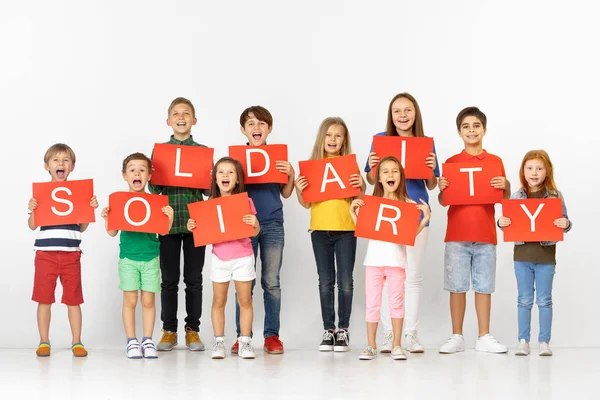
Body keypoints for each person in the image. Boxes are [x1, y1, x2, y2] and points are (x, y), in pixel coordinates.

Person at [295, 117, 365, 352]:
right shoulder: (314, 166)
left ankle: (343, 330)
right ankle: (329, 329)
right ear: (321, 138)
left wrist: (361, 186)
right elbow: (306, 204)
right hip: (320, 230)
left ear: (344, 139)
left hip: (346, 229)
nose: (333, 139)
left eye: (338, 135)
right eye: (329, 135)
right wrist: (299, 189)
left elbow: (358, 198)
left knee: (345, 281)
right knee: (325, 281)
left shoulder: (349, 165)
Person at [498, 150, 572, 356]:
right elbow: (507, 223)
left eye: (539, 168)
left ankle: (544, 341)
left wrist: (565, 223)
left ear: (547, 171)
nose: (534, 172)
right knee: (524, 299)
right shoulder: (516, 196)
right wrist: (500, 222)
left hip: (546, 257)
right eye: (530, 168)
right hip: (522, 256)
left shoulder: (555, 196)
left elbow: (565, 221)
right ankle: (523, 340)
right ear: (523, 171)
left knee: (544, 299)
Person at [101, 152, 174, 358]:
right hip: (128, 258)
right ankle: (132, 341)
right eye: (132, 170)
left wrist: (169, 218)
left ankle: (148, 340)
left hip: (151, 257)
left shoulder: (155, 201)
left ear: (149, 175)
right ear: (124, 175)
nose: (137, 173)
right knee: (130, 301)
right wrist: (107, 218)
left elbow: (164, 231)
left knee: (148, 301)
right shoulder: (120, 201)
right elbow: (112, 232)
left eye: (142, 170)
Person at [28, 143, 98, 357]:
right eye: (56, 160)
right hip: (45, 254)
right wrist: (32, 209)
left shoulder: (77, 194)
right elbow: (32, 225)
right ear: (46, 166)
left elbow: (82, 227)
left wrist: (89, 209)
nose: (61, 163)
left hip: (71, 254)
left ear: (72, 167)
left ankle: (76, 341)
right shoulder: (41, 195)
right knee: (44, 298)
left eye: (65, 160)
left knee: (73, 299)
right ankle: (44, 341)